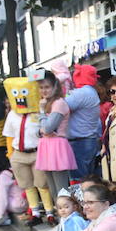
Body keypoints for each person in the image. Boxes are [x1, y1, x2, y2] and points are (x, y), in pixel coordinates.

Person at [3, 76, 55, 227]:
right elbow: (9, 135)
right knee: (27, 184)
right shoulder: (12, 114)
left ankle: (50, 212)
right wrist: (10, 154)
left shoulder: (39, 111)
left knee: (42, 183)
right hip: (19, 153)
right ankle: (35, 212)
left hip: (37, 152)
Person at [37, 70, 77, 212]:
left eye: (47, 87)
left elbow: (47, 128)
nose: (44, 90)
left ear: (55, 86)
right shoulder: (47, 103)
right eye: (41, 87)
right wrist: (42, 127)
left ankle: (68, 219)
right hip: (47, 145)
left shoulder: (59, 103)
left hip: (57, 146)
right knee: (53, 189)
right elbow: (39, 130)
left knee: (61, 190)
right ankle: (62, 220)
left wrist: (41, 113)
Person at [66, 64, 104, 181]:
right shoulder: (90, 92)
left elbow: (60, 106)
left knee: (79, 179)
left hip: (80, 142)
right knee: (87, 178)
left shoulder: (83, 93)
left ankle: (82, 200)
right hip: (87, 141)